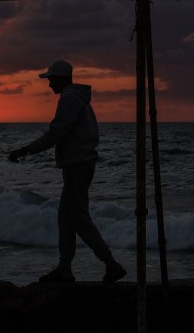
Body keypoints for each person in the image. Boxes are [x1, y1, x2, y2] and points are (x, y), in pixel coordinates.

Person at [8, 59, 127, 284]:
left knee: (79, 218)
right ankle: (65, 268)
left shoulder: (70, 99)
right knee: (65, 218)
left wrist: (26, 150)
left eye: (51, 79)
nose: (49, 84)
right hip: (80, 164)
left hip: (77, 165)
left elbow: (56, 133)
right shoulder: (77, 99)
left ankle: (111, 264)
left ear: (62, 79)